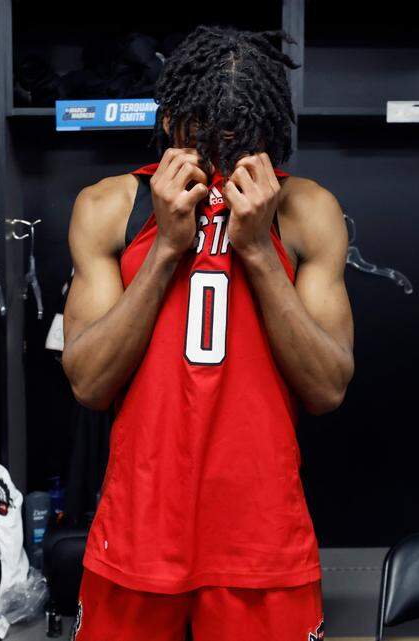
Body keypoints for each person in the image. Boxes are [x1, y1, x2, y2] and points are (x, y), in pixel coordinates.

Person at [62, 26, 354, 641]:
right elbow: (87, 381)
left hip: (261, 537)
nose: (220, 163)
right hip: (139, 530)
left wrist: (259, 252)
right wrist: (167, 248)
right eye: (204, 141)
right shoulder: (111, 207)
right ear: (170, 124)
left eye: (239, 143)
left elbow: (328, 388)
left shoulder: (308, 211)